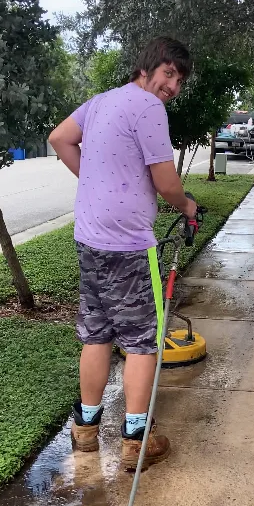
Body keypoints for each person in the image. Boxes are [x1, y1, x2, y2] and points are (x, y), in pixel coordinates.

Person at [48, 36, 197, 469]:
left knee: (96, 334)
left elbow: (59, 139)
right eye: (169, 74)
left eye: (179, 80)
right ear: (147, 68)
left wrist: (92, 179)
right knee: (141, 343)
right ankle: (135, 442)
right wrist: (187, 205)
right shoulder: (149, 108)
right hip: (129, 245)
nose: (173, 86)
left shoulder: (99, 102)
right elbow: (167, 183)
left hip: (90, 239)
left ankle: (86, 430)